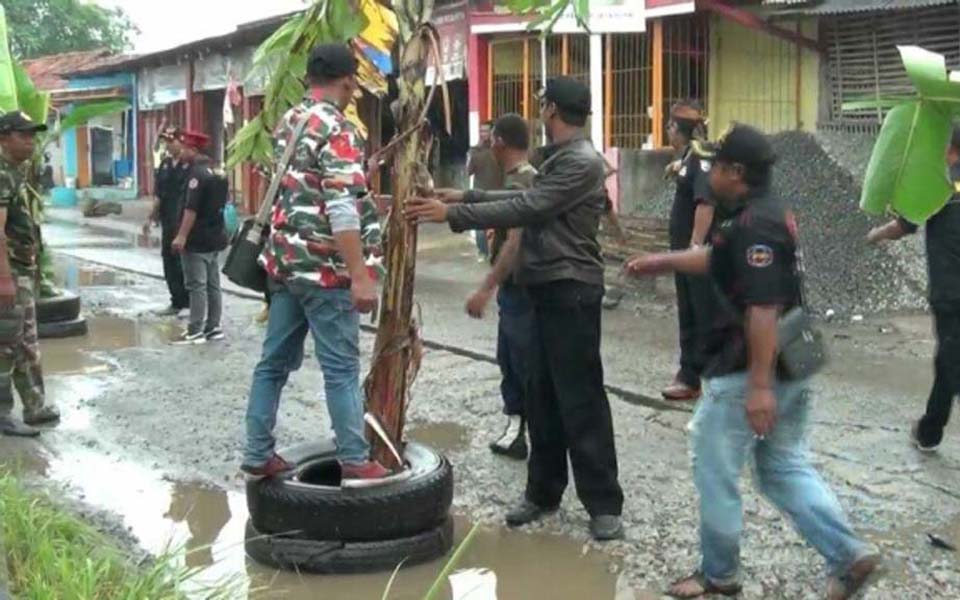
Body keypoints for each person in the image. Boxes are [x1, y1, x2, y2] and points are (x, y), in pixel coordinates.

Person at [624, 123, 878, 599]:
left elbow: (763, 307)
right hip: (788, 358)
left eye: (716, 165)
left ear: (734, 171)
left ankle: (719, 574)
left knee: (715, 468)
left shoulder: (753, 224)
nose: (709, 174)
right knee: (781, 466)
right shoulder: (759, 214)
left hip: (749, 368)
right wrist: (661, 261)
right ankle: (848, 554)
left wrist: (759, 386)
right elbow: (717, 260)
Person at [407, 76, 625, 541]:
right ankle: (543, 492)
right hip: (544, 289)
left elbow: (532, 205)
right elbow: (524, 198)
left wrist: (457, 214)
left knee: (581, 398)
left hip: (572, 290)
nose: (539, 112)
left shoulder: (582, 162)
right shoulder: (562, 159)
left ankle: (604, 504)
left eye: (541, 104)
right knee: (539, 394)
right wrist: (465, 196)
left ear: (550, 110)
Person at [241, 44, 386, 481]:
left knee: (273, 364)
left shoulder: (290, 121)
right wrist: (360, 277)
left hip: (285, 268)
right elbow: (341, 209)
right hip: (325, 273)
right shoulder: (338, 128)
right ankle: (355, 458)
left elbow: (299, 187)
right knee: (341, 368)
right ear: (347, 81)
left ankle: (257, 452)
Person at [867, 125, 960, 452]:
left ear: (949, 149)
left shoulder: (938, 184)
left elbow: (904, 225)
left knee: (950, 361)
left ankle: (930, 431)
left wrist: (875, 234)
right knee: (950, 360)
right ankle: (929, 430)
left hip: (951, 292)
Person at [464, 113, 537, 460]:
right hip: (516, 289)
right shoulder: (520, 178)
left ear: (499, 142)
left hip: (522, 287)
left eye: (492, 137)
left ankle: (525, 430)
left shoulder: (524, 180)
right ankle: (517, 428)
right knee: (510, 358)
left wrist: (485, 287)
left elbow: (515, 243)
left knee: (520, 361)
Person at [0, 111, 60, 436]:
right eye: (23, 134)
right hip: (9, 271)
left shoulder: (15, 170)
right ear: (4, 137)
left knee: (24, 340)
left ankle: (35, 405)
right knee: (7, 343)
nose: (30, 141)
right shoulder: (1, 173)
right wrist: (4, 278)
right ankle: (3, 414)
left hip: (21, 269)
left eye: (32, 135)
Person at [663, 101, 718, 401]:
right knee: (688, 311)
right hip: (684, 255)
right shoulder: (689, 158)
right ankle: (690, 374)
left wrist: (695, 246)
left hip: (694, 255)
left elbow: (705, 203)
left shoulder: (701, 158)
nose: (668, 132)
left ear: (677, 129)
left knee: (699, 314)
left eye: (670, 127)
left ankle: (698, 377)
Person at [171, 131, 228, 344]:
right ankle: (213, 327)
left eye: (185, 148)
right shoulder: (218, 171)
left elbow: (191, 209)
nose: (182, 151)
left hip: (197, 239)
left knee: (197, 285)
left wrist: (181, 236)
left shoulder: (196, 174)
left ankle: (195, 330)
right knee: (213, 285)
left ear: (194, 150)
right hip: (215, 236)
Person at [144, 126, 190, 317]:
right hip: (168, 220)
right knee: (169, 261)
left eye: (171, 141)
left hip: (185, 221)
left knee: (185, 264)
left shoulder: (191, 165)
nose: (168, 145)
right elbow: (159, 193)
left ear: (181, 141)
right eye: (166, 142)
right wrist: (151, 217)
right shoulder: (165, 164)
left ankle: (192, 304)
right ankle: (176, 301)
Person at [466, 120, 503, 260]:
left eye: (486, 131)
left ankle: (494, 254)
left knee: (496, 227)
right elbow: (469, 171)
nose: (483, 134)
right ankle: (483, 254)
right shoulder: (475, 151)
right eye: (481, 131)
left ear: (493, 133)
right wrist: (470, 157)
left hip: (497, 193)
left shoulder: (499, 150)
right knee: (480, 227)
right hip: (479, 193)